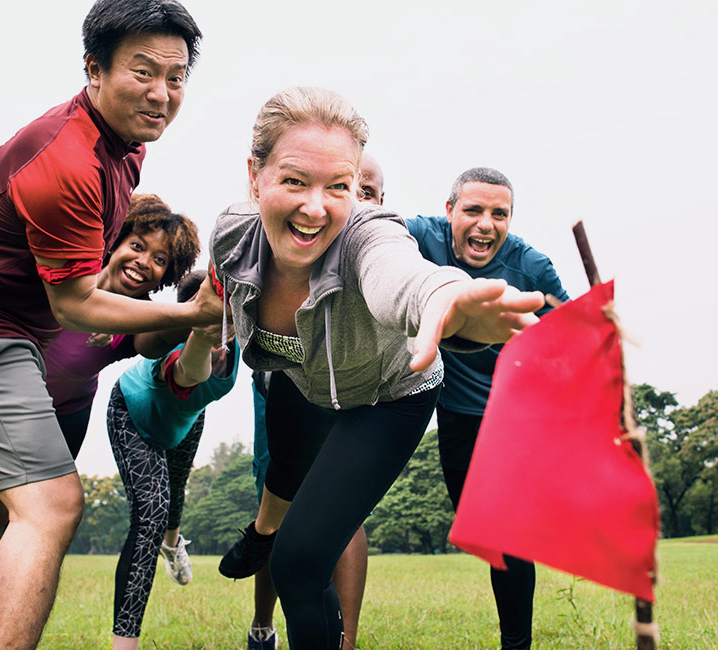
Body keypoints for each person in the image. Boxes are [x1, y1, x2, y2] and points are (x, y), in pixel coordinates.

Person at [210, 86, 544, 649]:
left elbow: (405, 275)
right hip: (303, 384)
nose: (317, 208)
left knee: (299, 563)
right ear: (255, 175)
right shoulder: (230, 236)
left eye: (339, 187)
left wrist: (446, 297)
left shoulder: (368, 234)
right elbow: (214, 297)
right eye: (295, 180)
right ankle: (262, 530)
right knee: (285, 493)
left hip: (388, 397)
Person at [0, 2, 220, 648]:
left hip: (14, 343)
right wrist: (192, 312)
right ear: (93, 68)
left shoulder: (126, 150)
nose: (162, 94)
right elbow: (75, 306)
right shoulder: (68, 163)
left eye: (176, 78)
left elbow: (134, 338)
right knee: (51, 507)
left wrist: (197, 323)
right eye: (143, 72)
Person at [405, 167, 570, 650]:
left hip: (514, 418)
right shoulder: (418, 237)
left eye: (499, 214)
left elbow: (571, 338)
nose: (486, 224)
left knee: (508, 537)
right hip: (453, 415)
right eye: (473, 210)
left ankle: (515, 643)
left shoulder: (531, 266)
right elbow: (370, 229)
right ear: (450, 210)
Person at [243, 157, 385, 650]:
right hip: (285, 392)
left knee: (342, 511)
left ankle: (344, 640)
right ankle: (263, 623)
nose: (356, 201)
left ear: (379, 202)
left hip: (360, 399)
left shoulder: (383, 245)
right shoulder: (282, 238)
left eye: (363, 190)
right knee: (280, 503)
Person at [107, 270, 239, 649]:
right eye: (206, 320)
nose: (219, 332)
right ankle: (124, 644)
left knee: (175, 491)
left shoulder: (237, 343)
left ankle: (173, 542)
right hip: (133, 414)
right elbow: (189, 374)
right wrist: (202, 333)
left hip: (186, 419)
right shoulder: (172, 351)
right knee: (151, 512)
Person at [45, 193, 200, 459]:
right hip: (2, 389)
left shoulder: (142, 318)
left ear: (168, 274)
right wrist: (96, 310)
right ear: (116, 243)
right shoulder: (71, 267)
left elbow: (159, 338)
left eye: (160, 260)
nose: (144, 261)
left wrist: (199, 312)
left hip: (64, 415)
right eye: (138, 246)